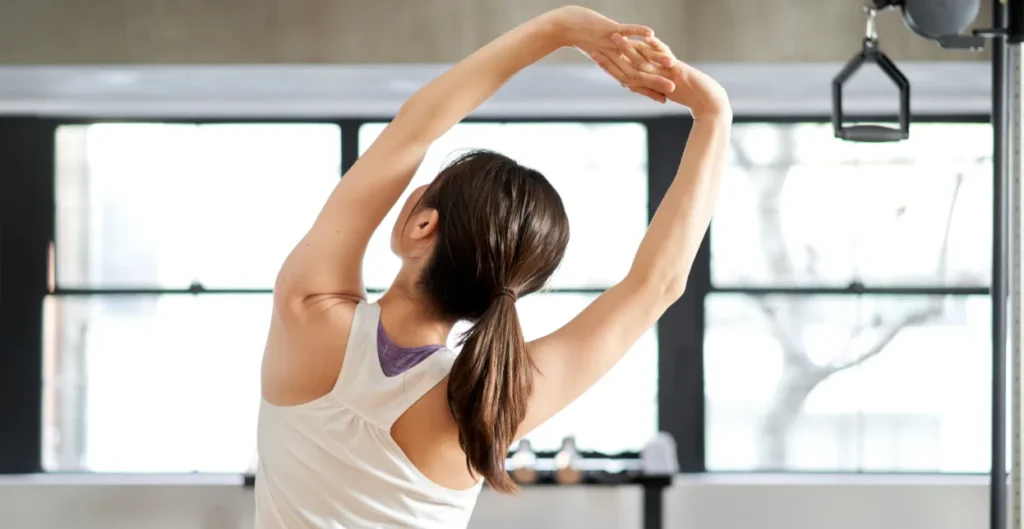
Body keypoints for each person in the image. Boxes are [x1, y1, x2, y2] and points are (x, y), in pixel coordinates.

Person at [256, 5, 731, 529]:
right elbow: (656, 286)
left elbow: (414, 130)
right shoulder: (486, 402)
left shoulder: (309, 311)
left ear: (422, 224)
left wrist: (559, 28)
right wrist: (713, 115)